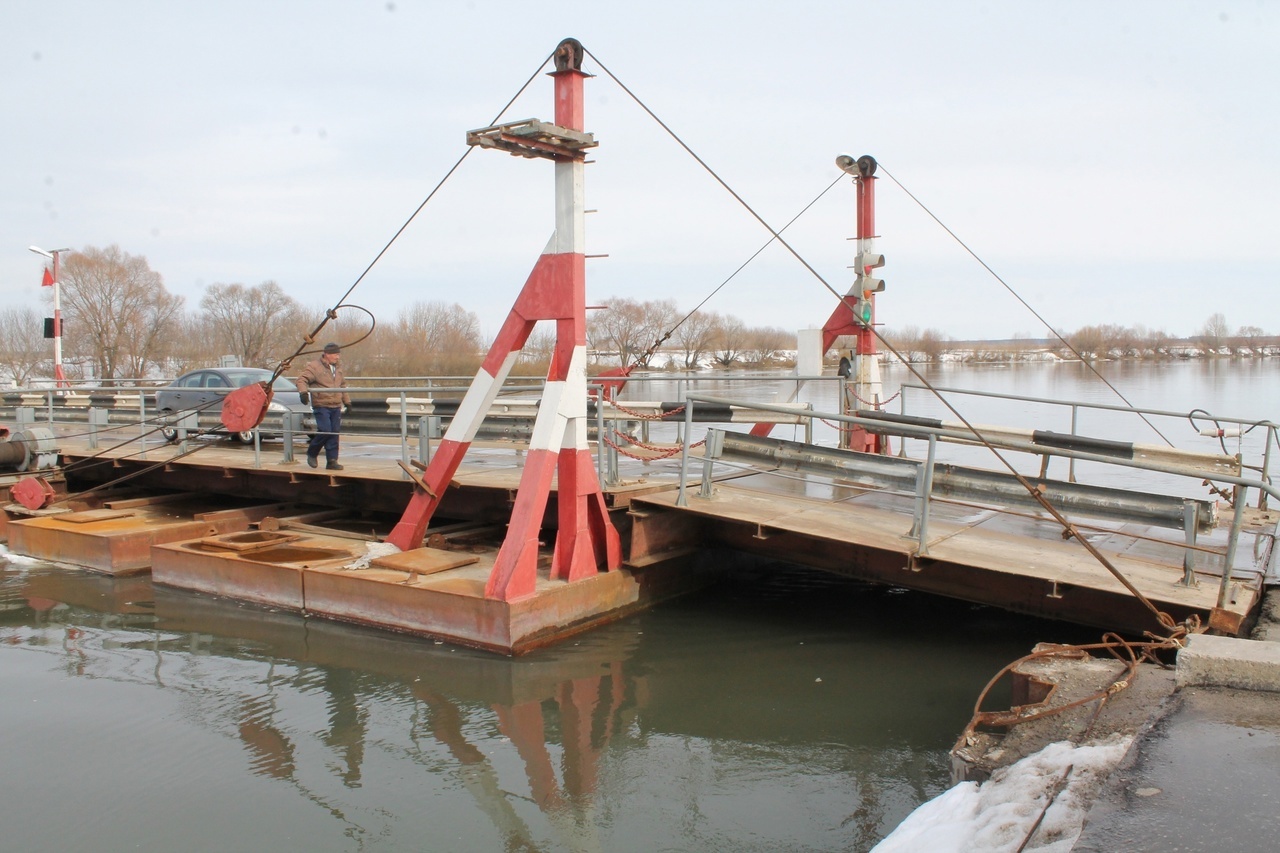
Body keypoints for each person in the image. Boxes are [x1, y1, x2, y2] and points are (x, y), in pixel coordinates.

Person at [296, 342, 352, 470]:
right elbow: (301, 380)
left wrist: (347, 402)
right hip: (321, 404)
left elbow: (342, 386)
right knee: (326, 430)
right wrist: (303, 392)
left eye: (338, 355)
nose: (338, 357)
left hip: (336, 405)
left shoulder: (338, 367)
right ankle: (312, 452)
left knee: (334, 433)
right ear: (327, 354)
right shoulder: (314, 366)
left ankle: (332, 460)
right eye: (335, 355)